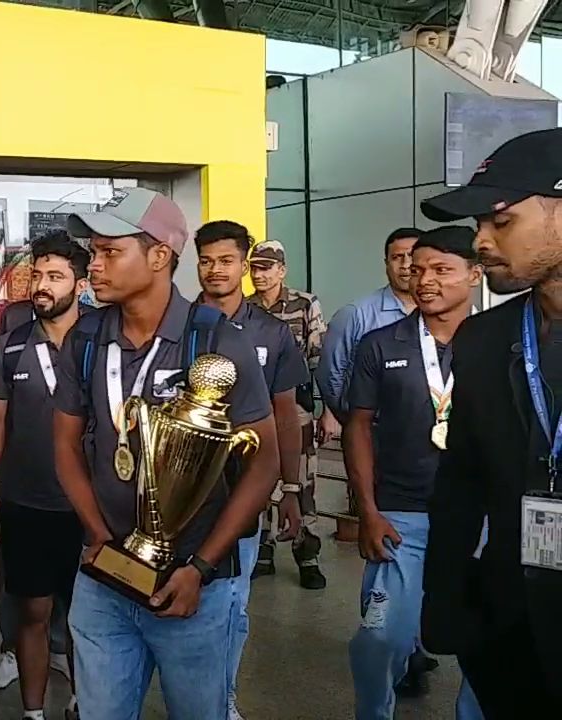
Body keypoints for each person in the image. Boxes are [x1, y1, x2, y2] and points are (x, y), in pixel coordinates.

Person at [54, 189, 279, 719]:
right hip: (105, 580)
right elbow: (64, 445)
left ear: (158, 257)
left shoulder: (215, 341)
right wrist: (99, 537)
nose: (95, 266)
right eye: (93, 253)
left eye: (111, 252)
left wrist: (201, 567)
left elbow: (264, 460)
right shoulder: (86, 338)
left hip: (193, 586)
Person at [419, 128, 562, 716]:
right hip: (511, 624)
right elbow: (462, 478)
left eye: (500, 221)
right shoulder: (483, 338)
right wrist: (445, 597)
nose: (479, 240)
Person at [343, 227, 485, 719]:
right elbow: (357, 427)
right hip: (401, 516)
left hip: (481, 519)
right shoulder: (381, 344)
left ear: (475, 273)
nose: (424, 279)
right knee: (381, 636)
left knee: (485, 639)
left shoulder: (499, 341)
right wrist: (367, 511)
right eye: (417, 268)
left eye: (441, 269)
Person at [194, 221, 308, 720]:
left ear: (244, 265)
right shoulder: (179, 325)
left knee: (234, 606)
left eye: (225, 260)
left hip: (243, 494)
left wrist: (289, 488)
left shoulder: (272, 333)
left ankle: (224, 697)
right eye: (205, 260)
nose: (215, 270)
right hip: (183, 494)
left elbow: (285, 414)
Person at [0, 230, 89, 720]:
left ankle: (88, 703)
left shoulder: (101, 344)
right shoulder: (11, 345)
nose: (42, 285)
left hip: (92, 508)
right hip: (26, 502)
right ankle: (33, 712)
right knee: (33, 614)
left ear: (80, 285)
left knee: (90, 618)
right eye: (37, 275)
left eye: (55, 276)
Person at [247, 240, 328, 588]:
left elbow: (318, 358)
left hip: (295, 407)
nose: (259, 274)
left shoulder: (304, 304)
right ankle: (262, 547)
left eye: (267, 267)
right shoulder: (245, 309)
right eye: (255, 267)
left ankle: (306, 553)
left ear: (282, 270)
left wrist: (327, 410)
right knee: (257, 478)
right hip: (254, 408)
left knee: (302, 482)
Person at [316, 227, 420, 434]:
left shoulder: (440, 313)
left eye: (412, 256)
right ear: (386, 264)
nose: (406, 264)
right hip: (373, 432)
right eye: (397, 257)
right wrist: (353, 420)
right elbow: (331, 375)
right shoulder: (355, 314)